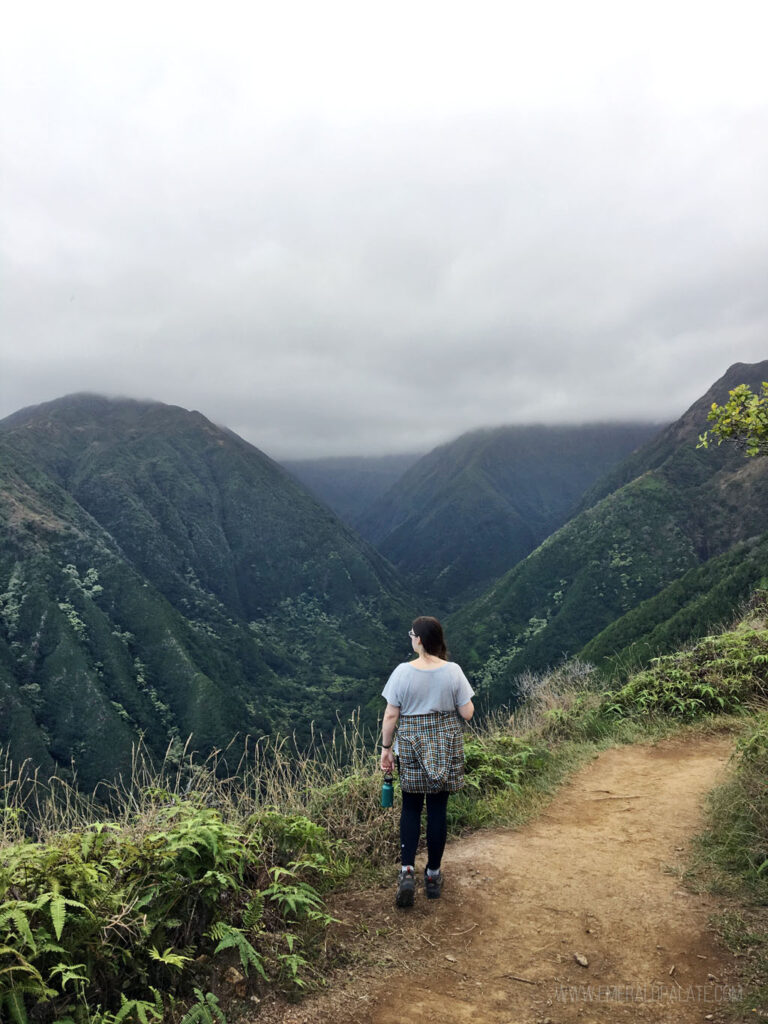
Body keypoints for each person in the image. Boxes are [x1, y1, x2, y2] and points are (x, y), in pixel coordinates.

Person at [380, 615, 475, 907]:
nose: (411, 637)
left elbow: (391, 715)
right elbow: (468, 713)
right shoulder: (454, 671)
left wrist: (386, 749)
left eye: (412, 633)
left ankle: (407, 871)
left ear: (419, 639)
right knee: (437, 809)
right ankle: (433, 875)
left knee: (410, 806)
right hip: (445, 743)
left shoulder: (402, 672)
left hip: (409, 742)